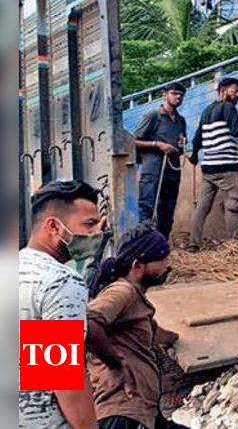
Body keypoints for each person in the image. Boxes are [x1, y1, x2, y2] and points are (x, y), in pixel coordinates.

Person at [18, 181, 106, 429]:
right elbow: (62, 377)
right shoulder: (60, 281)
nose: (96, 234)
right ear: (54, 226)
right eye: (89, 225)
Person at [86, 224, 175, 429]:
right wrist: (116, 365)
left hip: (141, 411)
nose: (168, 265)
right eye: (162, 258)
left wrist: (178, 338)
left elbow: (155, 334)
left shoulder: (135, 302)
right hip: (122, 413)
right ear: (137, 266)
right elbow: (88, 323)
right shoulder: (122, 291)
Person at [189, 77, 238, 249]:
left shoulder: (206, 111)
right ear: (224, 90)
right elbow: (237, 130)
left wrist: (194, 156)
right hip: (227, 169)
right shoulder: (228, 107)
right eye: (235, 91)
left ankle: (192, 245)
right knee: (232, 206)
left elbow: (197, 139)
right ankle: (236, 247)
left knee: (201, 208)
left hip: (208, 169)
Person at [131, 82, 187, 237]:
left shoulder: (181, 121)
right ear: (165, 95)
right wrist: (157, 144)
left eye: (181, 95)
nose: (178, 97)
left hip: (172, 171)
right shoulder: (152, 116)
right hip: (152, 171)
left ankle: (161, 246)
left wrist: (181, 144)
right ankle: (144, 244)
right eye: (174, 93)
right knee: (147, 208)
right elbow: (132, 141)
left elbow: (180, 148)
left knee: (167, 211)